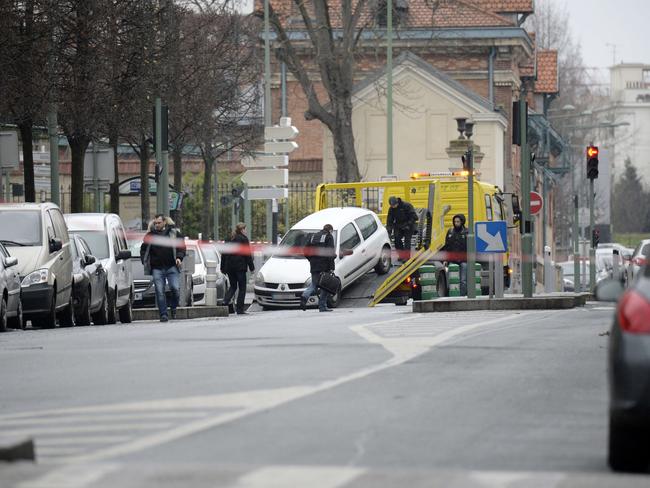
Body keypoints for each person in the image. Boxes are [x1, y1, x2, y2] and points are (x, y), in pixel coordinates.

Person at [141, 214, 186, 322]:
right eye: (155, 223)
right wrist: (144, 260)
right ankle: (163, 314)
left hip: (172, 267)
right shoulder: (150, 236)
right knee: (159, 291)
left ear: (164, 222)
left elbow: (182, 247)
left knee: (175, 289)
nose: (157, 225)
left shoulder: (174, 233)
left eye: (159, 223)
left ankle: (173, 307)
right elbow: (143, 250)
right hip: (157, 268)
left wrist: (179, 258)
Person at [301, 224, 336, 312]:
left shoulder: (313, 236)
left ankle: (304, 296)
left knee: (314, 284)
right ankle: (322, 306)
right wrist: (332, 267)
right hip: (325, 266)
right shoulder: (329, 237)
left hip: (314, 265)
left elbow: (305, 250)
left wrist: (311, 259)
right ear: (330, 230)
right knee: (326, 286)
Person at [221, 223, 255, 315]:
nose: (246, 231)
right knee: (242, 287)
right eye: (245, 229)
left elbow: (224, 254)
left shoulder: (229, 239)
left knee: (233, 286)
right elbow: (247, 255)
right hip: (240, 267)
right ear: (242, 230)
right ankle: (240, 309)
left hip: (229, 267)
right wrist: (252, 268)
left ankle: (225, 301)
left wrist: (222, 267)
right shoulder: (244, 239)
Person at [441, 214, 468, 295]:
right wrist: (445, 259)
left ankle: (462, 296)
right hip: (452, 260)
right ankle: (453, 294)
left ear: (462, 222)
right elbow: (447, 246)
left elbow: (470, 247)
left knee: (463, 280)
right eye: (455, 221)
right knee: (452, 279)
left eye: (458, 221)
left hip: (464, 260)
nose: (456, 223)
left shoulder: (467, 232)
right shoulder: (450, 231)